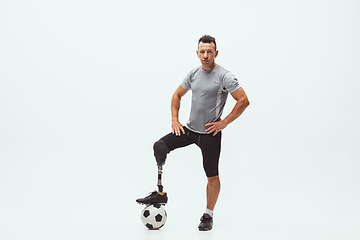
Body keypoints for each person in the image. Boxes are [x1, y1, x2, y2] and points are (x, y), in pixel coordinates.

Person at [136, 35, 250, 231]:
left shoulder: (224, 76)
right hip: (189, 130)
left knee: (212, 176)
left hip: (209, 134)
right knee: (159, 146)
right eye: (202, 51)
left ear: (216, 53)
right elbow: (177, 95)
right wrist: (174, 119)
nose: (205, 55)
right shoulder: (193, 74)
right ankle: (160, 193)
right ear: (197, 53)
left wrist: (224, 122)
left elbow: (243, 100)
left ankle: (208, 215)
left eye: (209, 51)